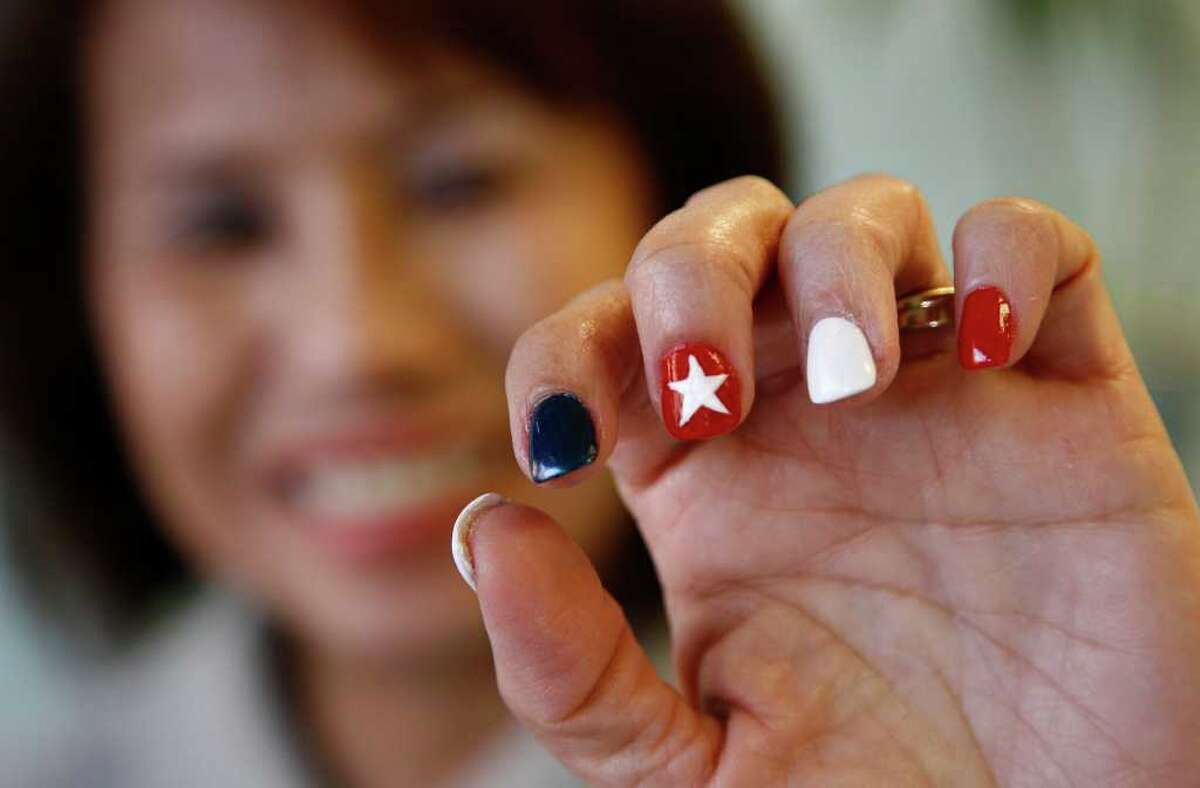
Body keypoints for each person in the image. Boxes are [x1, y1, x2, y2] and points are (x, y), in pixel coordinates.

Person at [3, 0, 1199, 786]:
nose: (352, 339)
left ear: (663, 187)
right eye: (220, 224)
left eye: (457, 181)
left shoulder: (931, 708)